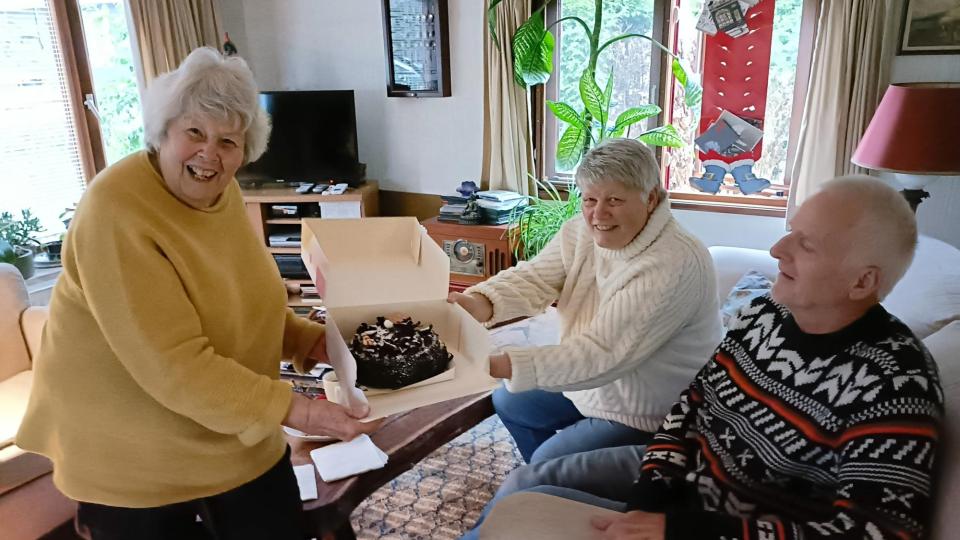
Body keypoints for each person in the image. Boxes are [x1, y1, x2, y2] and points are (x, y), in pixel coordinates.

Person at [16, 47, 378, 540]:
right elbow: (173, 364)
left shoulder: (221, 193)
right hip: (134, 457)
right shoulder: (115, 211)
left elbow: (238, 300)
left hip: (225, 431)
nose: (210, 154)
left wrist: (302, 339)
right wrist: (305, 410)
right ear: (163, 130)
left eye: (228, 141)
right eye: (194, 132)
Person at [475, 176, 944, 540]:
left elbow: (878, 532)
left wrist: (683, 530)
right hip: (687, 480)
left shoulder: (895, 384)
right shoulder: (763, 315)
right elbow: (691, 406)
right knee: (524, 482)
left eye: (806, 244)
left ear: (862, 282)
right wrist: (653, 489)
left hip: (726, 525)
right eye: (789, 233)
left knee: (527, 511)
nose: (777, 249)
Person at [448, 137, 722, 467]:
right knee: (509, 401)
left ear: (651, 199)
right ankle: (550, 486)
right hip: (592, 387)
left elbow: (601, 354)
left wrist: (491, 364)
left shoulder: (674, 261)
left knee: (548, 461)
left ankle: (551, 481)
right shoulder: (581, 231)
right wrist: (479, 303)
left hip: (652, 410)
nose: (598, 214)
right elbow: (534, 278)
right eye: (590, 199)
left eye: (615, 200)